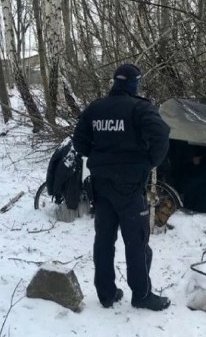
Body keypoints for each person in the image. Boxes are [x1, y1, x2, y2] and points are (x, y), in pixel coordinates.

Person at [72, 63, 171, 310]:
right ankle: (142, 295)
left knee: (104, 240)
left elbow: (79, 142)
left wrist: (100, 155)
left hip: (101, 184)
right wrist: (149, 162)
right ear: (134, 83)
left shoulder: (95, 108)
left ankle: (106, 293)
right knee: (136, 241)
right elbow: (161, 134)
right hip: (129, 186)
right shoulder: (139, 108)